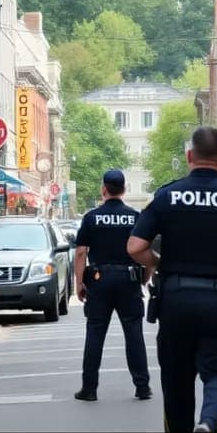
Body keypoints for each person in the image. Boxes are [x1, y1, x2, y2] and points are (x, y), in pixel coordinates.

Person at [127, 126, 217, 433]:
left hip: (175, 301)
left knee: (177, 381)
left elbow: (135, 247)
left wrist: (157, 264)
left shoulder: (167, 196)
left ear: (189, 156)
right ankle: (209, 422)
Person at [73, 169, 151, 401]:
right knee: (134, 333)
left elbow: (80, 253)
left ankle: (89, 388)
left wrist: (79, 283)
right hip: (128, 280)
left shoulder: (91, 217)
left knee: (95, 333)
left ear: (103, 189)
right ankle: (142, 386)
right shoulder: (135, 217)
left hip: (99, 280)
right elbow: (145, 250)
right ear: (124, 189)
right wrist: (144, 277)